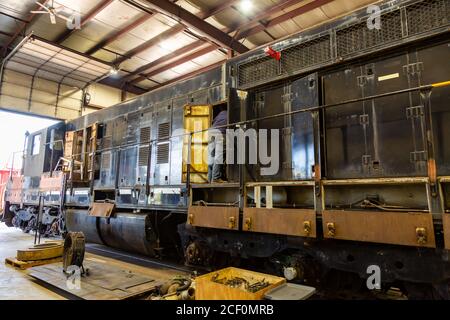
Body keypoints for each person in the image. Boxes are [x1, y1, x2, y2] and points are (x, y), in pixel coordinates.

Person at [208, 106, 227, 183]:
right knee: (219, 155)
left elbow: (213, 122)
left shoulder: (219, 114)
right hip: (220, 133)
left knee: (211, 156)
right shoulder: (229, 114)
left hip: (211, 133)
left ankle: (209, 179)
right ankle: (216, 178)